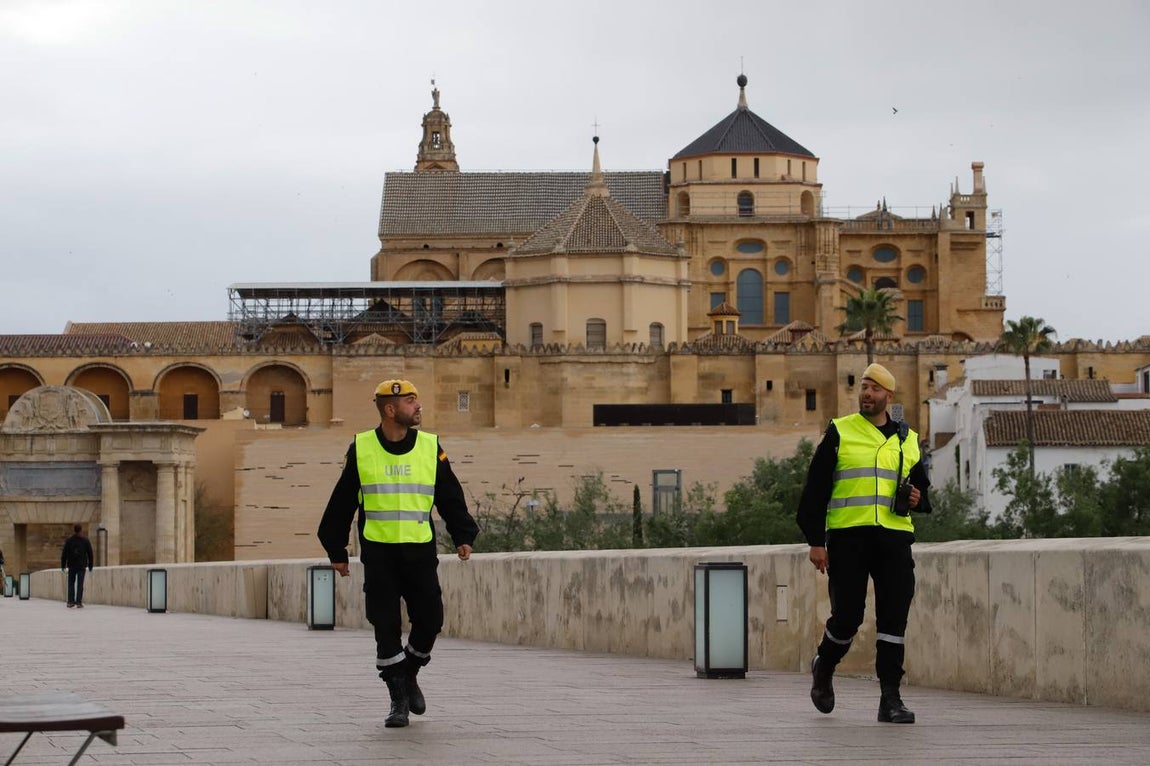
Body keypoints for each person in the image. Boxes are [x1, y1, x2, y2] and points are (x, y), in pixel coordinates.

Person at [317, 379, 478, 728]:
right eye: (410, 401)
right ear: (390, 410)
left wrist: (463, 534)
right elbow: (343, 500)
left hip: (420, 552)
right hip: (379, 554)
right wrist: (337, 549)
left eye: (416, 400)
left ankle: (410, 671)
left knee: (431, 620)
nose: (418, 406)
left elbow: (449, 494)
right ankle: (398, 700)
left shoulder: (431, 447)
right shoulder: (362, 448)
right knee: (385, 625)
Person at [795, 363, 931, 724]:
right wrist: (815, 541)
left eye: (875, 389)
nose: (867, 394)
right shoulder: (841, 431)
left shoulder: (908, 439)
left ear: (889, 396)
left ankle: (891, 698)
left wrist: (918, 498)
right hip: (848, 537)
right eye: (864, 388)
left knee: (893, 619)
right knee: (848, 616)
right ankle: (824, 665)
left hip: (894, 538)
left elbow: (923, 492)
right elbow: (815, 491)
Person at [61, 524, 95, 608]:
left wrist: (63, 565)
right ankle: (78, 602)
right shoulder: (85, 541)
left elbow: (64, 554)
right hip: (81, 566)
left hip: (72, 565)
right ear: (81, 530)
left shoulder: (69, 541)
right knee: (80, 584)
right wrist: (90, 565)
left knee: (71, 584)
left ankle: (70, 601)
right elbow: (90, 554)